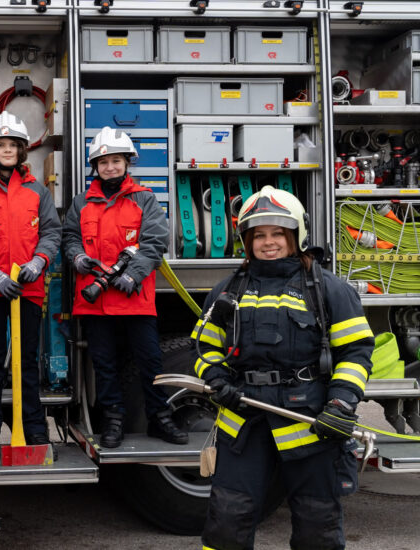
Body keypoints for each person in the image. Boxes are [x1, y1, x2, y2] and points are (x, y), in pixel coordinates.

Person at [192, 185, 374, 550]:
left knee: (316, 526)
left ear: (297, 236)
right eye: (259, 235)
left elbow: (355, 353)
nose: (268, 242)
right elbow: (203, 348)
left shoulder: (330, 291)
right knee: (226, 522)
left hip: (310, 423)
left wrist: (340, 405)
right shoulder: (227, 291)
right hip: (243, 422)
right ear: (246, 240)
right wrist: (216, 379)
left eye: (278, 233)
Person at [62, 126, 187, 448]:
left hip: (135, 299)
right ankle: (113, 420)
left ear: (127, 162)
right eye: (104, 162)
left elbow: (155, 241)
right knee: (105, 365)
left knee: (151, 362)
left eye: (116, 160)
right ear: (96, 167)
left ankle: (161, 419)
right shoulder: (82, 203)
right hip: (96, 301)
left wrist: (132, 275)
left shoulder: (144, 199)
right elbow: (70, 238)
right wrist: (76, 257)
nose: (110, 167)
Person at [0, 111, 62, 459]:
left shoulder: (37, 191)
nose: (7, 150)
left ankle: (34, 427)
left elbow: (52, 231)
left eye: (13, 145)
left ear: (21, 151)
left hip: (29, 289)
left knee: (27, 359)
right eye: (0, 145)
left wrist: (39, 261)